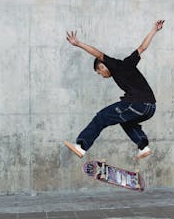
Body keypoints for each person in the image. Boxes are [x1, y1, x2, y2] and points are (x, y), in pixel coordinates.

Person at [64, 20, 165, 160]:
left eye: (100, 72)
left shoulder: (114, 65)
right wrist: (154, 30)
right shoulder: (128, 63)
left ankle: (81, 146)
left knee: (102, 117)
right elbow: (142, 48)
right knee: (125, 120)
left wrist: (78, 43)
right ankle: (143, 147)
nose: (102, 75)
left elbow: (98, 54)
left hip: (137, 104)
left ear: (102, 66)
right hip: (150, 108)